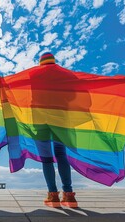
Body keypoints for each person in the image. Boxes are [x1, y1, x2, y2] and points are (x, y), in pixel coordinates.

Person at [37, 52, 78, 208]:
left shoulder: (35, 76)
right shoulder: (65, 75)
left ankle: (53, 195)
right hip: (61, 119)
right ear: (54, 62)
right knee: (61, 154)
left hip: (40, 121)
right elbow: (74, 96)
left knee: (46, 158)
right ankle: (69, 195)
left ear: (41, 63)